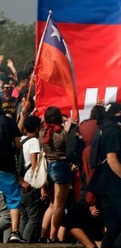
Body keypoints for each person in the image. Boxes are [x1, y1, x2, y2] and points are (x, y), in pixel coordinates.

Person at [90, 102, 121, 248]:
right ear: (114, 114)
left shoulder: (103, 130)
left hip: (102, 186)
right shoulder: (112, 131)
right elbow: (112, 160)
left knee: (113, 229)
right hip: (114, 186)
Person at [39, 106, 75, 243]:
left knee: (52, 205)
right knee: (60, 205)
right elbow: (63, 141)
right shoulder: (59, 133)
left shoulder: (42, 133)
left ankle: (43, 235)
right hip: (60, 166)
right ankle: (53, 236)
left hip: (48, 167)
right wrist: (68, 125)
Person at [0, 100, 25, 242]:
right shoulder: (8, 122)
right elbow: (17, 144)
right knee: (13, 200)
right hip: (6, 166)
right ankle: (15, 232)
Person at [18, 115, 43, 243]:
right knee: (34, 217)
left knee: (24, 216)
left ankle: (18, 241)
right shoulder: (34, 141)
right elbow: (34, 163)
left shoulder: (21, 140)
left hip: (19, 182)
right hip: (29, 182)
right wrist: (39, 180)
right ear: (37, 128)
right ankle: (26, 241)